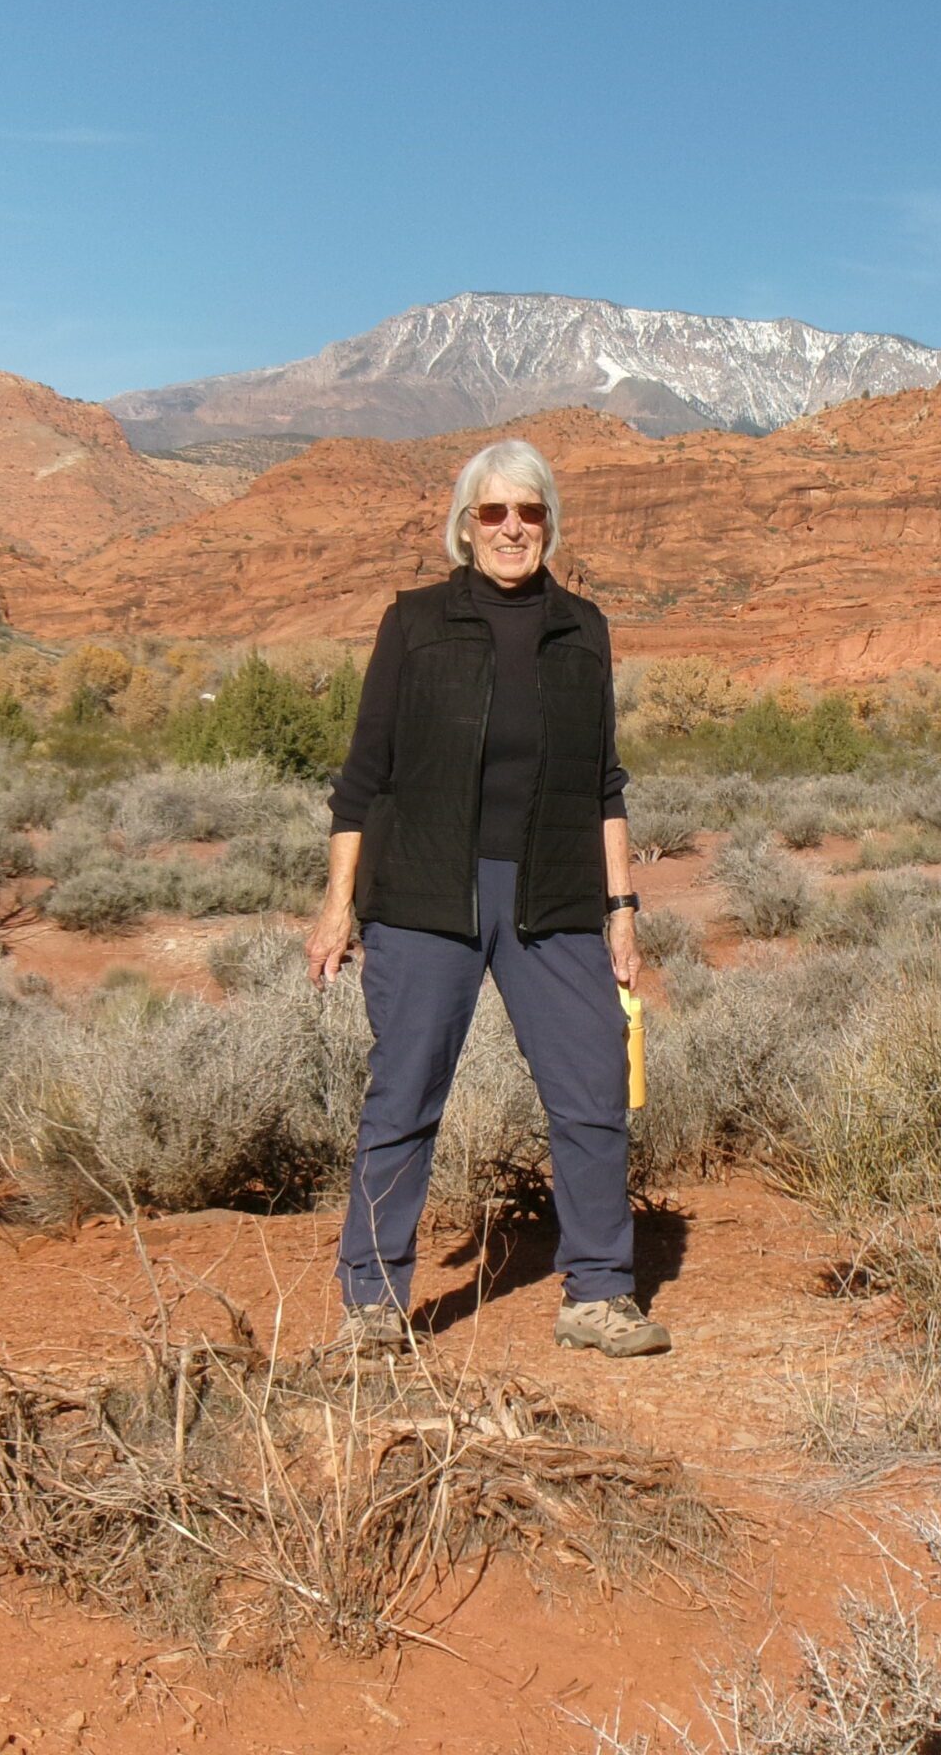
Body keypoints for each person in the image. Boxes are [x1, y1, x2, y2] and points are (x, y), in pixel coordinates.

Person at [306, 438, 668, 1359]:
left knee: (591, 1089)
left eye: (531, 512)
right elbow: (364, 777)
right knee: (406, 1094)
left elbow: (604, 784)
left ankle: (598, 1295)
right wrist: (336, 905)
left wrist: (622, 914)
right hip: (428, 891)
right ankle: (372, 1305)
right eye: (495, 512)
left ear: (550, 522)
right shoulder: (416, 622)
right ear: (466, 526)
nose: (514, 528)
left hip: (553, 893)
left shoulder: (582, 629)